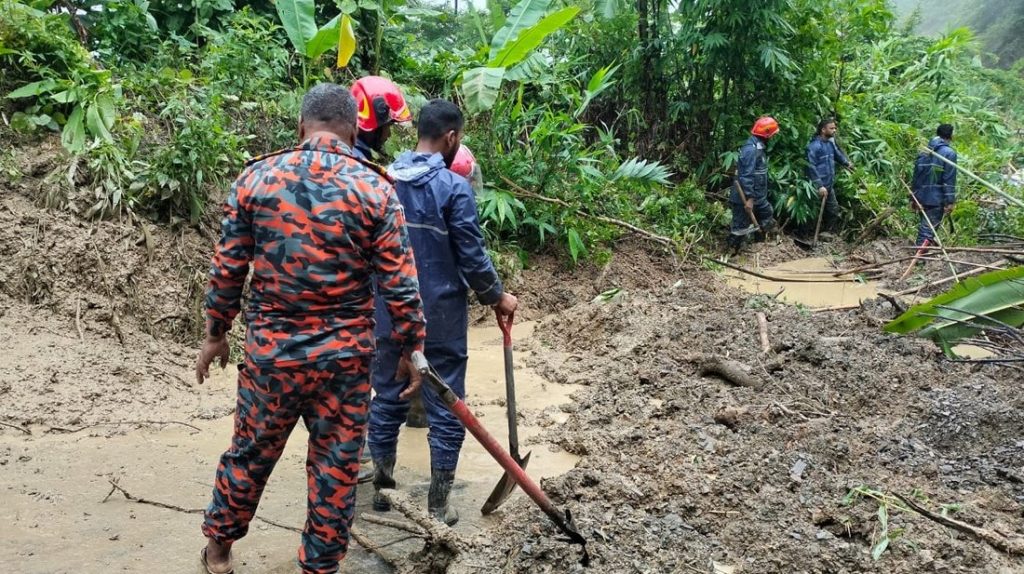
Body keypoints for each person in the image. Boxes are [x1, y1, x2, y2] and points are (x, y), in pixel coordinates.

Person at [195, 83, 426, 574]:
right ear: (353, 129)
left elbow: (228, 268)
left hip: (272, 356)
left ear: (301, 126)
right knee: (336, 469)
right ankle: (319, 567)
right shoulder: (375, 188)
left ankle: (218, 553)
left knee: (250, 453)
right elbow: (400, 283)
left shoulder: (256, 179)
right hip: (344, 361)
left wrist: (216, 332)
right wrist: (410, 345)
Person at [367, 99, 518, 526]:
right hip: (440, 315)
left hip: (387, 309)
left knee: (387, 393)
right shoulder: (453, 189)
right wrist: (497, 297)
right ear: (451, 137)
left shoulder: (383, 180)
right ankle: (438, 503)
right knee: (447, 400)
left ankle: (382, 489)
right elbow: (471, 256)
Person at [729, 116, 779, 250]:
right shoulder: (750, 150)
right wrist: (749, 199)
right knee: (740, 228)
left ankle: (761, 247)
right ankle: (733, 253)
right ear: (766, 135)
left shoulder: (759, 147)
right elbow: (746, 176)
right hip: (744, 197)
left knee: (767, 217)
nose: (773, 137)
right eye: (772, 135)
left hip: (759, 197)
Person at [911, 124, 957, 246]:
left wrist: (914, 196)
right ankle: (918, 259)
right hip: (936, 198)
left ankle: (920, 257)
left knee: (926, 228)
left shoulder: (924, 151)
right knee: (927, 231)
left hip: (921, 196)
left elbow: (916, 176)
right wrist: (950, 201)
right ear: (951, 136)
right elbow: (949, 179)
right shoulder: (949, 153)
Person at [350, 76, 412, 162]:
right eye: (388, 126)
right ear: (377, 124)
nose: (389, 134)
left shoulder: (335, 148)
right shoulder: (358, 167)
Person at [806, 118, 853, 232]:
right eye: (831, 128)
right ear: (823, 130)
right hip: (817, 187)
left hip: (829, 185)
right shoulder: (814, 146)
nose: (834, 130)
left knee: (833, 209)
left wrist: (847, 163)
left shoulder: (830, 143)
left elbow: (838, 155)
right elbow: (810, 167)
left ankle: (828, 233)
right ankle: (805, 235)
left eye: (835, 128)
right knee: (812, 211)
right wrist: (819, 185)